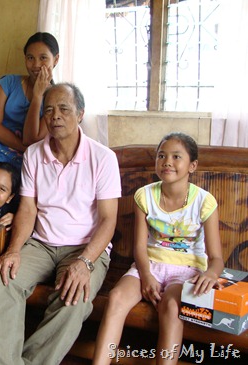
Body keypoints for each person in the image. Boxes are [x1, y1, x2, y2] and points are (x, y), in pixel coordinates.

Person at [0, 83, 122, 365]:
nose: (55, 116)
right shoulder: (33, 155)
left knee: (75, 296)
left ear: (80, 114)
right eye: (49, 110)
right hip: (40, 244)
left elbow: (108, 219)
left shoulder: (103, 158)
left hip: (84, 249)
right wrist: (14, 250)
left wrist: (85, 262)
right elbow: (28, 209)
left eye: (64, 109)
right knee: (3, 279)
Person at [92, 132, 224, 365]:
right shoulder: (145, 196)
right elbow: (140, 249)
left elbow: (216, 258)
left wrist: (210, 274)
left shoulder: (205, 202)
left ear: (192, 165)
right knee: (116, 297)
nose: (167, 162)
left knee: (171, 306)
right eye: (161, 156)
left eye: (176, 157)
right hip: (149, 264)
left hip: (187, 270)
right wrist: (146, 276)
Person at [0, 32, 60, 187]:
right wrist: (25, 148)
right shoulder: (8, 83)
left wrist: (38, 96)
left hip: (27, 167)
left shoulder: (56, 97)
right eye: (30, 57)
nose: (36, 65)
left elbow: (32, 139)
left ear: (56, 59)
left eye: (43, 58)